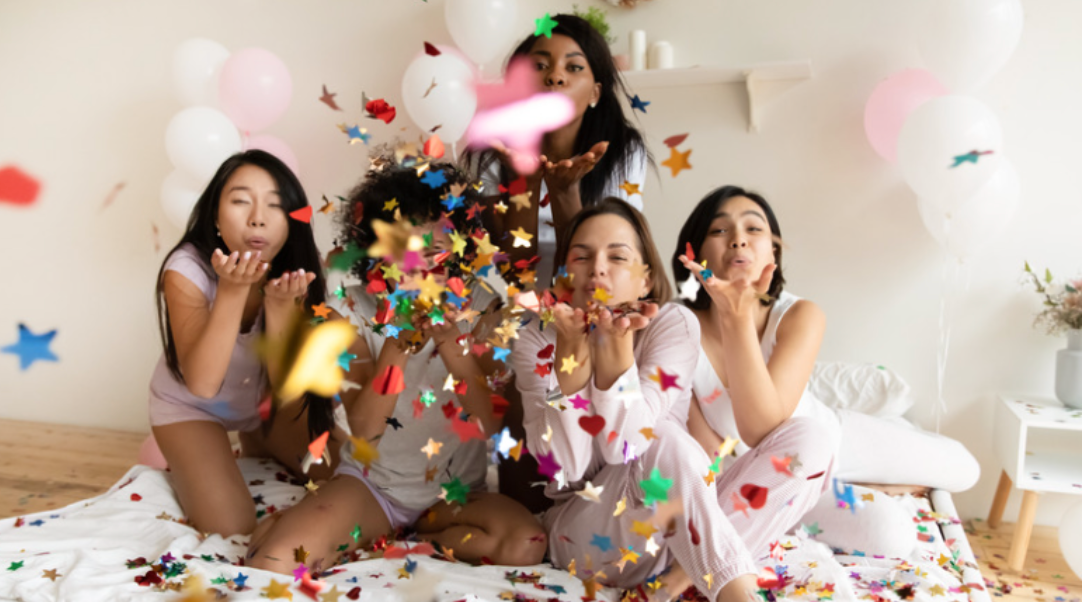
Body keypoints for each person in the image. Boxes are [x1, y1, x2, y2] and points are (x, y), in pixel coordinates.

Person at [246, 158, 546, 575]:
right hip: (372, 488)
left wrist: (449, 343)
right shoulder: (348, 310)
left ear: (461, 247)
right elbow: (365, 428)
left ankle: (418, 537)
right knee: (276, 560)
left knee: (525, 545)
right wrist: (400, 342)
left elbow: (489, 426)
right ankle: (354, 528)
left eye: (436, 251)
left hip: (453, 498)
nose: (421, 267)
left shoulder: (484, 307)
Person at [673, 185, 979, 558]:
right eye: (719, 231)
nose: (738, 240)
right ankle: (868, 482)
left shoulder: (800, 315)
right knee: (891, 536)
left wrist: (737, 314)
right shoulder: (676, 328)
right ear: (695, 252)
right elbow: (719, 453)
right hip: (764, 484)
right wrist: (734, 313)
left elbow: (765, 424)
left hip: (834, 441)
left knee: (966, 468)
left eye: (754, 229)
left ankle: (880, 455)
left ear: (773, 251)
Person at [512, 198, 771, 602]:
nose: (598, 269)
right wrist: (571, 353)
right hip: (586, 536)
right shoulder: (534, 340)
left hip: (676, 536)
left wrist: (617, 349)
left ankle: (676, 582)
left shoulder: (672, 324)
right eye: (582, 257)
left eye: (617, 256)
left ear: (645, 279)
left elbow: (627, 442)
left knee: (810, 439)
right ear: (563, 274)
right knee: (663, 438)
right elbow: (570, 468)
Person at [150, 150, 337, 537]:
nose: (258, 217)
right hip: (191, 409)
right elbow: (201, 384)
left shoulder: (298, 268)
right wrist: (233, 291)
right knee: (231, 527)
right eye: (240, 201)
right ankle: (236, 445)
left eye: (275, 205)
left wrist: (281, 305)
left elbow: (289, 390)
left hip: (265, 405)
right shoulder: (185, 269)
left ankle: (259, 440)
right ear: (216, 215)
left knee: (350, 474)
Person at [468, 13, 651, 287]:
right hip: (517, 308)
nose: (555, 76)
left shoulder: (623, 151)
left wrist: (565, 192)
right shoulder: (493, 151)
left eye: (574, 67)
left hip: (594, 301)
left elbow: (600, 270)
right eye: (539, 65)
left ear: (595, 93)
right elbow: (514, 275)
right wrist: (525, 184)